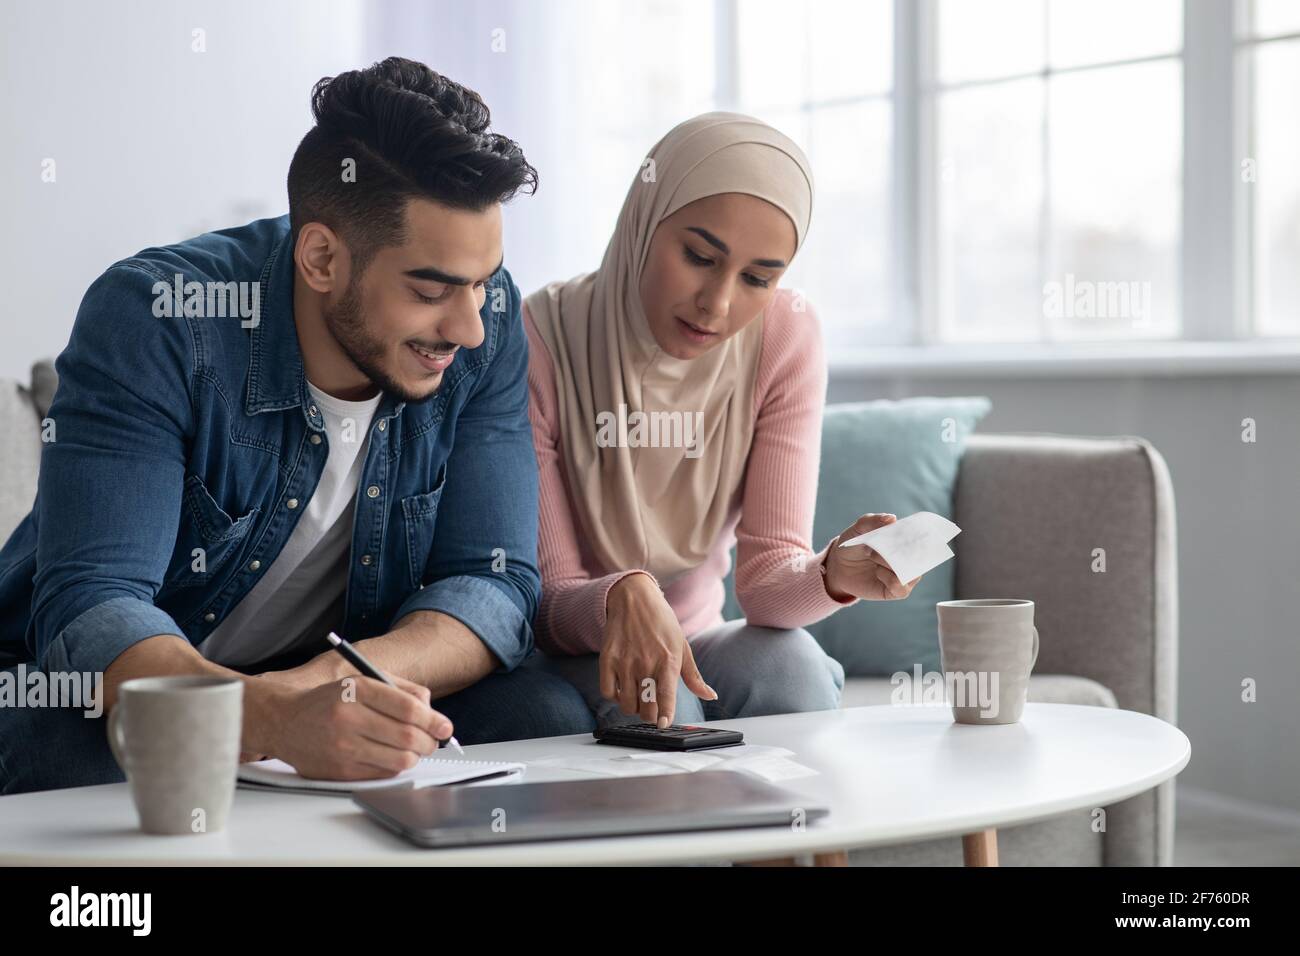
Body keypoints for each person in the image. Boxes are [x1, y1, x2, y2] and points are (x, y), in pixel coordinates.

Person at [0, 57, 595, 796]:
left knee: (541, 712)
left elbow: (493, 581)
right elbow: (92, 605)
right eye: (430, 288)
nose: (470, 328)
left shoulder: (489, 321)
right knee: (87, 753)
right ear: (321, 258)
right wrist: (269, 716)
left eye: (482, 281)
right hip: (100, 691)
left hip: (323, 669)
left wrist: (334, 684)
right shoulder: (161, 317)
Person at [520, 112, 923, 731]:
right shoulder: (539, 339)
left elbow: (763, 585)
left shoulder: (784, 335)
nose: (718, 304)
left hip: (699, 637)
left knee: (793, 670)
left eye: (759, 278)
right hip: (570, 651)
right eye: (699, 257)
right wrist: (622, 596)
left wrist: (831, 572)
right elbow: (546, 603)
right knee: (662, 704)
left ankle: (808, 831)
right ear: (643, 222)